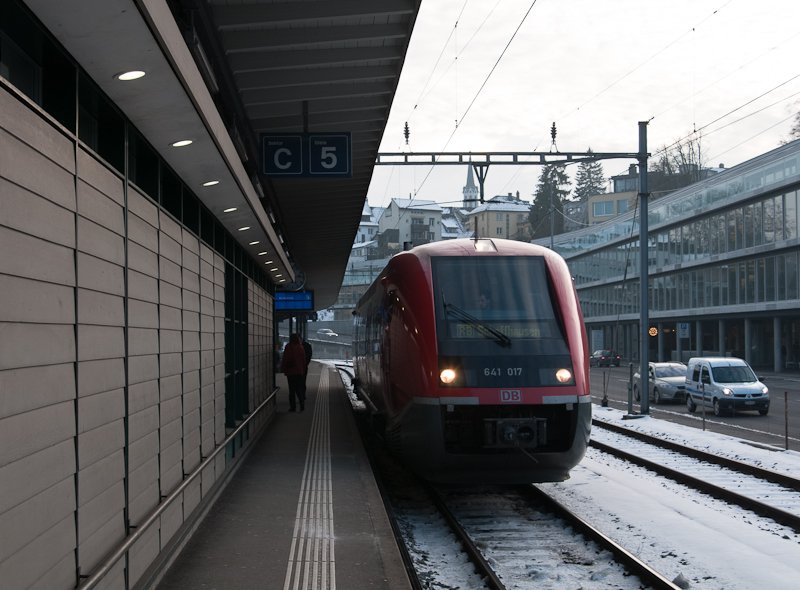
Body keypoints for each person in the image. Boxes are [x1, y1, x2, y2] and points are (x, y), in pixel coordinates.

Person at [280, 334, 306, 412]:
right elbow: (303, 360)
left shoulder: (288, 347)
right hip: (299, 372)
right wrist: (303, 370)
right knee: (298, 389)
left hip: (291, 372)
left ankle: (293, 407)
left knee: (291, 390)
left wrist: (283, 368)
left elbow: (285, 358)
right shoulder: (300, 347)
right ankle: (302, 404)